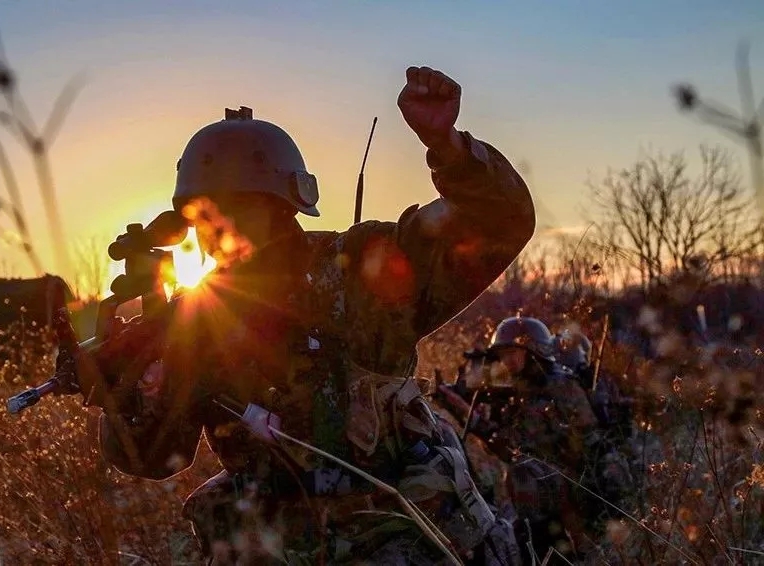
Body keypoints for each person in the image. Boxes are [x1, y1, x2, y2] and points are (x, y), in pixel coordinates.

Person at [91, 66, 535, 565]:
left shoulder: (360, 273)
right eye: (203, 215)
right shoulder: (195, 320)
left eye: (236, 208)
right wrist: (130, 393)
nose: (217, 230)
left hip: (405, 537)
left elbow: (502, 221)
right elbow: (154, 459)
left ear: (284, 206)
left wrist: (448, 147)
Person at [438, 316, 631, 564]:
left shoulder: (557, 387)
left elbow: (514, 449)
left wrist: (468, 416)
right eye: (504, 354)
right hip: (559, 487)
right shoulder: (528, 388)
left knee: (523, 477)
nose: (507, 361)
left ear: (534, 351)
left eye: (513, 353)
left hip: (577, 486)